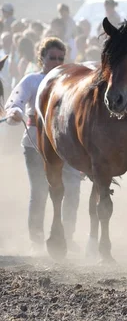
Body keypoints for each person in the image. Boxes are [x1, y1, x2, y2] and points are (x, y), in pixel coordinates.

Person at [3, 37, 82, 253]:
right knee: (39, 191)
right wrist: (15, 112)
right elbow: (14, 103)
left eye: (60, 58)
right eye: (51, 58)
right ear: (42, 59)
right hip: (35, 144)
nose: (56, 62)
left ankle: (65, 237)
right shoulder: (32, 81)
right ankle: (36, 240)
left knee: (72, 190)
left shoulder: (72, 82)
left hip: (67, 146)